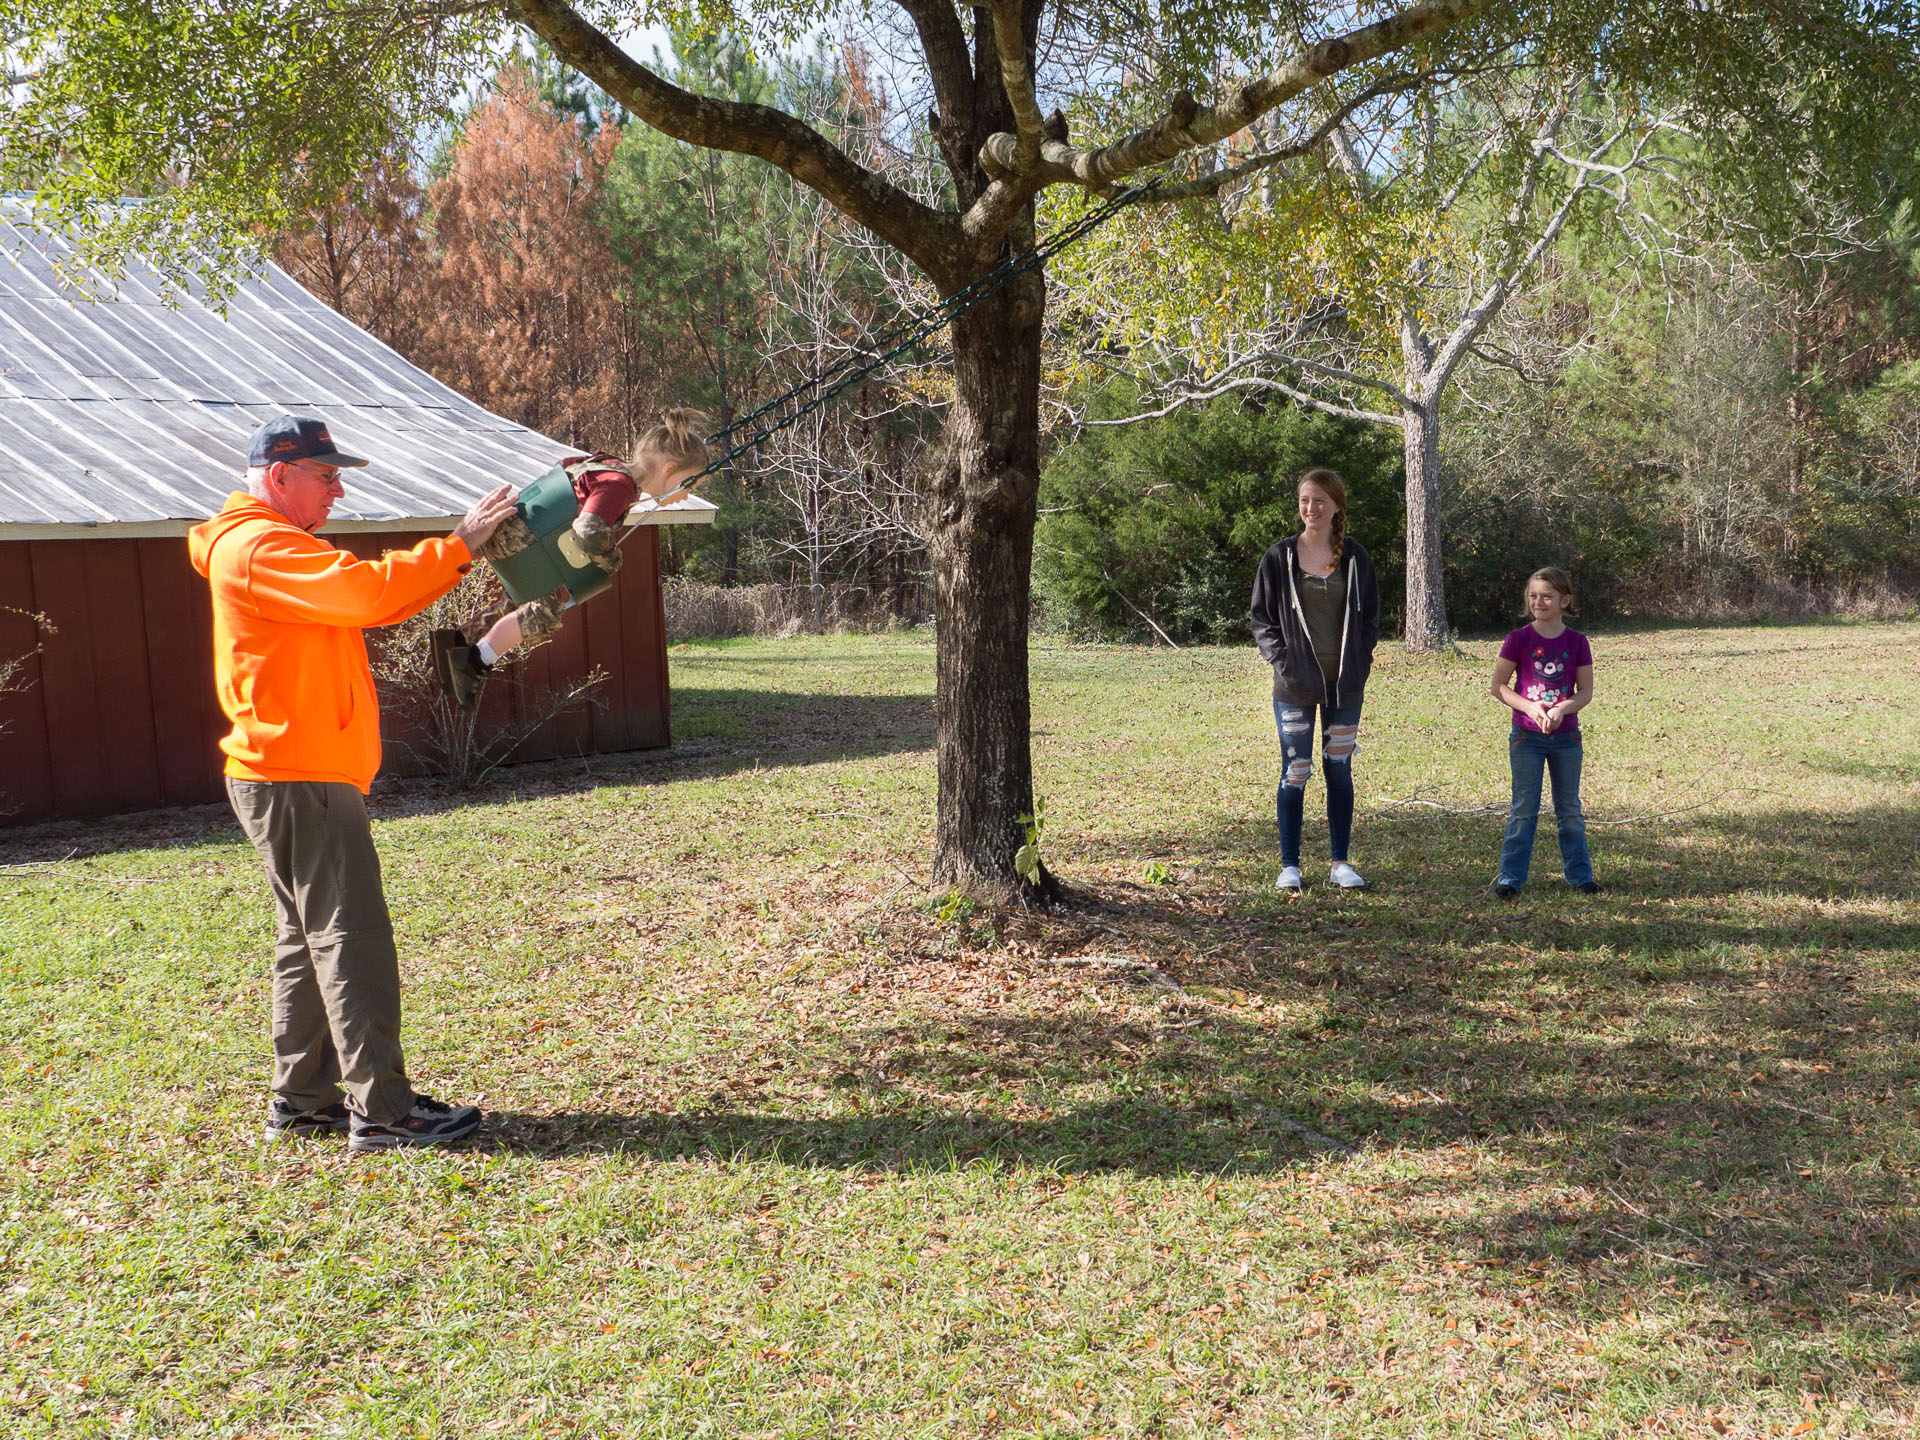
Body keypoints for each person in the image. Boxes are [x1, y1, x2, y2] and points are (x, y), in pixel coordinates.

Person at [188, 413, 518, 1150]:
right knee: (349, 937)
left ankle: (304, 1101)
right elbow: (369, 593)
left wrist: (457, 557)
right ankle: (384, 1113)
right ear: (280, 476)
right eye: (326, 476)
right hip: (297, 775)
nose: (338, 492)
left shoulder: (271, 546)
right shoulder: (260, 547)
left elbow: (377, 602)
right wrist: (460, 543)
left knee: (309, 941)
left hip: (289, 773)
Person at [434, 409, 712, 710]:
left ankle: (456, 640)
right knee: (545, 612)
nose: (686, 495)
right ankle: (475, 662)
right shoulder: (620, 485)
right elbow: (588, 530)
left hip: (510, 529)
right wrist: (610, 558)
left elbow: (565, 471)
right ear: (669, 468)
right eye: (689, 485)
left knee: (518, 601)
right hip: (525, 540)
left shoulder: (606, 465)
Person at [1249, 468, 1382, 892]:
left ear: (1337, 506)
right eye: (1306, 500)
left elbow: (1371, 618)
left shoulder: (1355, 558)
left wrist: (1360, 660)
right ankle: (1290, 865)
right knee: (1296, 769)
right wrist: (1284, 662)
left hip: (1345, 686)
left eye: (1321, 500)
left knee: (1338, 769)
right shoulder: (1279, 557)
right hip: (1295, 687)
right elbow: (1261, 620)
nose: (1312, 508)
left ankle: (1340, 864)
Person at [1490, 566, 1602, 898]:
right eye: (1533, 596)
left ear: (1564, 600)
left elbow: (1585, 692)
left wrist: (1561, 709)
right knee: (1524, 808)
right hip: (1527, 738)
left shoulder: (1577, 642)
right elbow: (1499, 686)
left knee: (1569, 809)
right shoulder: (1518, 639)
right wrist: (1529, 707)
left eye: (1547, 596)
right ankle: (1510, 878)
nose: (1539, 602)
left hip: (1566, 739)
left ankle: (1580, 876)